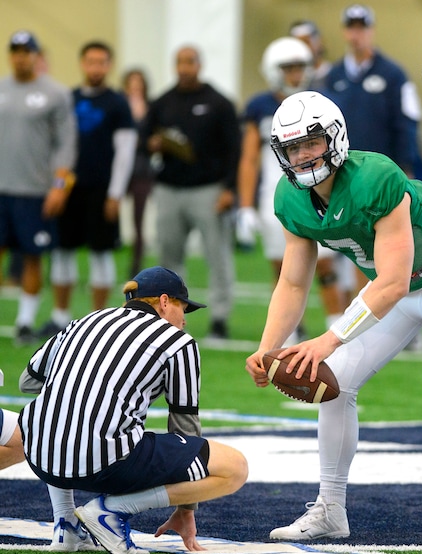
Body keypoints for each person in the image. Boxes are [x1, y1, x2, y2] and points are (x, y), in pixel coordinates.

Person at [246, 91, 422, 547]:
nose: (303, 156)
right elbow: (293, 283)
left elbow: (391, 282)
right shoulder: (291, 199)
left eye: (310, 143)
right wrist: (268, 347)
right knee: (330, 381)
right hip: (394, 289)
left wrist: (328, 339)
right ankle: (330, 509)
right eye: (292, 148)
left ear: (334, 138)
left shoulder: (376, 177)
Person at [19, 266, 249, 554]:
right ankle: (111, 511)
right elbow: (184, 425)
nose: (184, 322)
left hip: (39, 458)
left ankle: (65, 524)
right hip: (106, 464)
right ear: (165, 301)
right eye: (183, 309)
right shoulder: (177, 342)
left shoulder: (85, 320)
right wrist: (186, 508)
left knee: (54, 415)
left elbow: (27, 382)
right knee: (234, 468)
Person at [324, 5, 422, 311]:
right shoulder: (333, 76)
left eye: (362, 27)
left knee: (398, 251)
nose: (356, 34)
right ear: (345, 31)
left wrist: (405, 168)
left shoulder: (393, 74)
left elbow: (407, 123)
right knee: (353, 251)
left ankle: (410, 320)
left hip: (384, 179)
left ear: (370, 30)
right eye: (352, 27)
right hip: (344, 179)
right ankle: (351, 319)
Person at [236, 37, 344, 342]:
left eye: (299, 67)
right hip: (275, 194)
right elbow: (249, 158)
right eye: (289, 67)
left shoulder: (317, 101)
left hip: (316, 191)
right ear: (273, 70)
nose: (296, 73)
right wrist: (245, 206)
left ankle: (337, 328)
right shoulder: (259, 107)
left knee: (326, 267)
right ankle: (290, 333)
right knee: (282, 270)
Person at [38, 41, 137, 338]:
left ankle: (96, 322)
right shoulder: (68, 98)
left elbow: (125, 151)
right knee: (62, 252)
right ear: (82, 63)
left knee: (100, 253)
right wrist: (56, 185)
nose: (95, 67)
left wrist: (115, 193)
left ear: (109, 65)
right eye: (90, 61)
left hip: (101, 191)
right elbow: (55, 145)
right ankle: (60, 317)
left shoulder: (118, 103)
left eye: (101, 62)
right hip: (69, 189)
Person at [142, 46, 240, 339]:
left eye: (189, 62)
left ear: (200, 65)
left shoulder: (219, 103)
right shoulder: (162, 102)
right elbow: (143, 138)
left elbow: (235, 149)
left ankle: (220, 319)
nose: (184, 68)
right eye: (180, 63)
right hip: (170, 189)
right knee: (169, 258)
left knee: (217, 255)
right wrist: (154, 144)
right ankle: (168, 318)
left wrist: (229, 188)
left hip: (208, 190)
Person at [0, 30, 77, 345]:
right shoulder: (1, 89)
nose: (20, 57)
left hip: (35, 190)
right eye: (15, 51)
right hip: (2, 189)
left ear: (35, 54)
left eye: (26, 51)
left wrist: (59, 187)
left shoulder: (55, 93)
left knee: (33, 256)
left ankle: (25, 322)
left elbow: (66, 145)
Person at [122, 68, 155, 279]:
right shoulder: (119, 106)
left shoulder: (150, 108)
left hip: (141, 168)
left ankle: (136, 261)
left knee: (138, 218)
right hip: (120, 167)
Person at [289, 20, 333, 90]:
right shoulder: (290, 82)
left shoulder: (336, 75)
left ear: (320, 41)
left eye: (306, 42)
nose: (303, 48)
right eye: (298, 43)